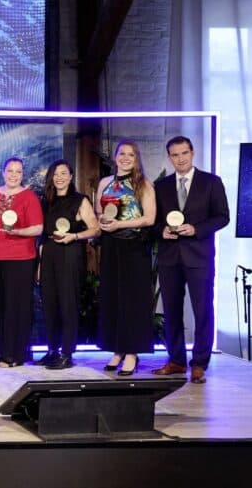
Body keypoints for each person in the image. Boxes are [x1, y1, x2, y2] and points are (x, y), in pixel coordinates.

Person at [151, 136, 229, 384]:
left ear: (192, 153)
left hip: (199, 257)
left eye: (184, 153)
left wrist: (196, 229)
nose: (180, 159)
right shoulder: (160, 185)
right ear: (169, 157)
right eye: (175, 155)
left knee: (203, 310)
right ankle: (176, 361)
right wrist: (161, 230)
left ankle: (199, 364)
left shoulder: (211, 182)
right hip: (169, 257)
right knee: (171, 311)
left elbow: (222, 217)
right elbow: (152, 221)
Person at [95, 140, 156, 376]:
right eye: (122, 153)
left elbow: (149, 218)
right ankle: (117, 349)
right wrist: (103, 221)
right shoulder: (104, 183)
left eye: (131, 154)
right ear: (116, 156)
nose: (125, 158)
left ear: (136, 158)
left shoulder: (144, 184)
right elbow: (99, 212)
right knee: (113, 298)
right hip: (111, 246)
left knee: (133, 300)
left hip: (134, 247)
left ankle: (131, 352)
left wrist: (120, 224)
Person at [37, 160, 99, 370]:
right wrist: (39, 266)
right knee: (49, 304)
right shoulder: (46, 201)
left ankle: (67, 353)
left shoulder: (80, 200)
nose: (59, 177)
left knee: (68, 304)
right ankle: (52, 350)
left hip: (70, 253)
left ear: (71, 176)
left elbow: (95, 229)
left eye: (64, 173)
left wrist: (75, 236)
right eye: (56, 174)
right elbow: (42, 237)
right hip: (49, 254)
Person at [0, 157, 43, 368]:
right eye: (10, 171)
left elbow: (38, 228)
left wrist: (17, 232)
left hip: (21, 259)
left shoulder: (29, 197)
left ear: (23, 174)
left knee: (16, 307)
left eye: (18, 171)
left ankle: (15, 355)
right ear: (3, 172)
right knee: (0, 306)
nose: (14, 175)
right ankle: (1, 350)